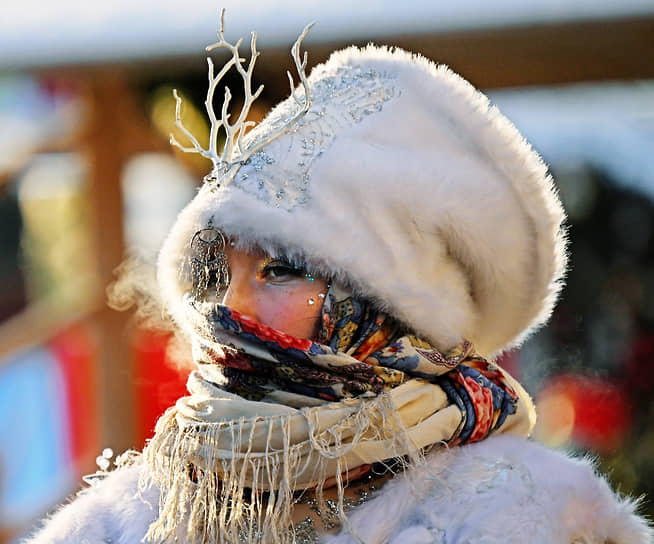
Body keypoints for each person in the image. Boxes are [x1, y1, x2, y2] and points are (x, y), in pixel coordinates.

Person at [27, 15, 652, 544]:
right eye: (220, 272)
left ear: (380, 309)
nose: (231, 307)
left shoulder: (532, 513)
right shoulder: (129, 515)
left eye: (279, 270)